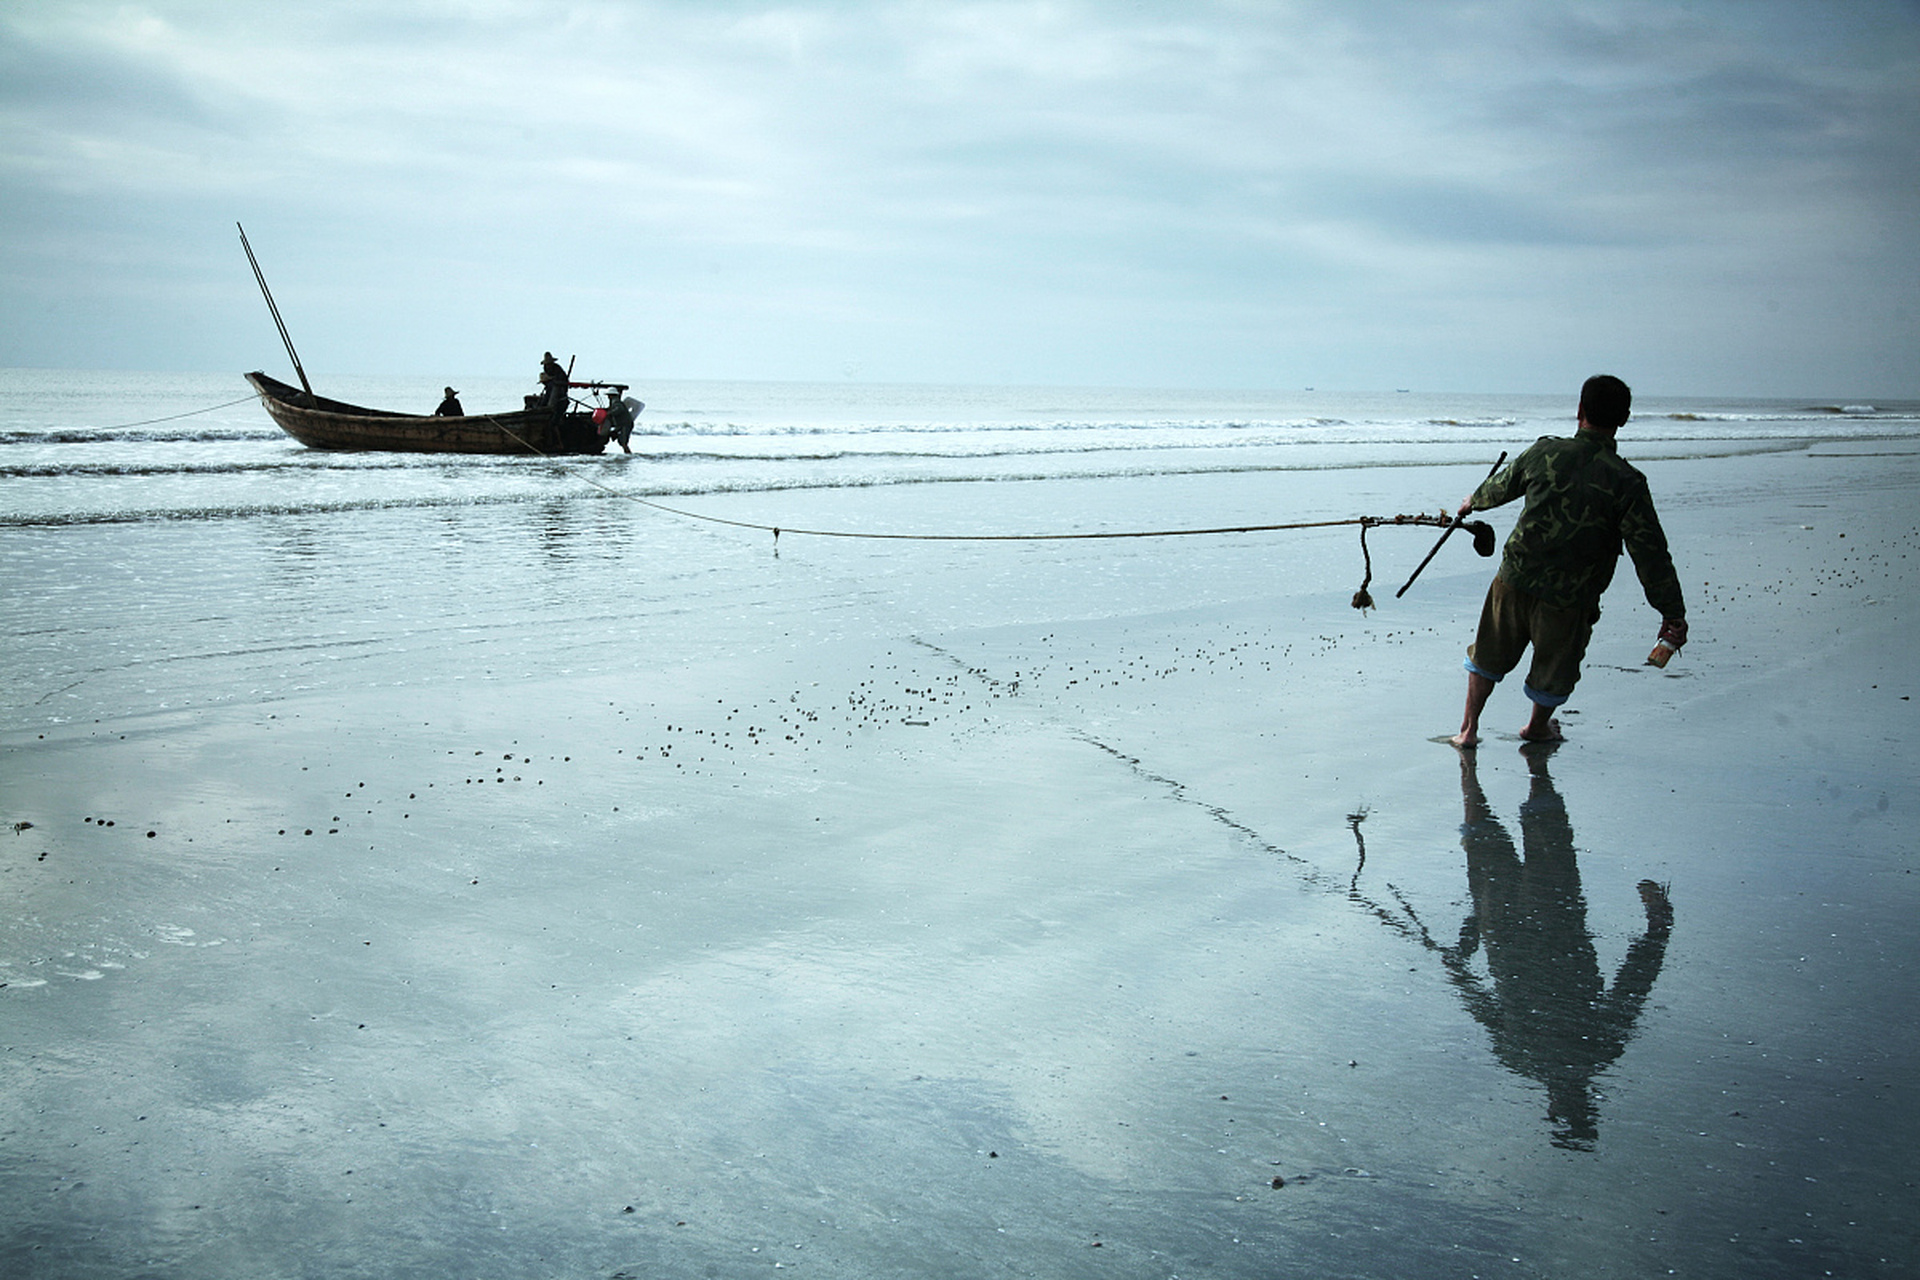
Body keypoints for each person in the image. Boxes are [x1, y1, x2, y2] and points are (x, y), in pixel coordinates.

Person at [1449, 374, 1687, 748]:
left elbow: (1502, 486)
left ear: (1579, 411)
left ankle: (1468, 730)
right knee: (1555, 667)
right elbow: (1650, 552)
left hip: (1515, 578)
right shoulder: (1627, 481)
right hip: (1570, 595)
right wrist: (1671, 611)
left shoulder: (1544, 452)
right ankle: (1537, 727)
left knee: (1488, 654)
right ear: (1623, 418)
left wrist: (1472, 502)